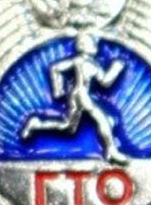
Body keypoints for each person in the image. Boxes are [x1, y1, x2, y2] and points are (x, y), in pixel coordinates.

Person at [22, 32, 128, 163]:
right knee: (102, 119)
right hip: (80, 95)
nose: (95, 46)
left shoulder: (92, 64)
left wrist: (115, 69)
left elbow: (104, 82)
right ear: (82, 46)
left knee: (68, 127)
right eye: (91, 43)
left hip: (79, 95)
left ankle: (37, 124)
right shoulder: (79, 61)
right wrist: (58, 89)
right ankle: (111, 150)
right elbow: (55, 68)